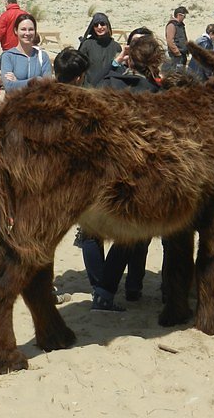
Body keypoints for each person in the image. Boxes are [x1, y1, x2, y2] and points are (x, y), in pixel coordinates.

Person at [76, 32, 163, 312]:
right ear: (155, 61)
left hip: (99, 167)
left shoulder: (107, 83)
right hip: (134, 171)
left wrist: (116, 61)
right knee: (131, 234)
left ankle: (102, 287)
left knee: (93, 231)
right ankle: (110, 288)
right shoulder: (155, 92)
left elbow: (91, 85)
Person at [0, 14, 52, 92]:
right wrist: (36, 80)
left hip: (38, 103)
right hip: (16, 103)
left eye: (31, 29)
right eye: (23, 29)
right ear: (16, 31)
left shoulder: (42, 56)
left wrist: (17, 82)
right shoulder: (8, 56)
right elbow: (9, 86)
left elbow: (48, 86)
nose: (27, 33)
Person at [77, 12, 122, 86]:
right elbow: (80, 67)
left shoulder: (116, 46)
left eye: (102, 24)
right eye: (96, 25)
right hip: (90, 88)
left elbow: (119, 69)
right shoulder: (87, 45)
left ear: (108, 26)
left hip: (110, 89)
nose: (99, 27)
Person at [164, 5, 189, 71]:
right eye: (184, 16)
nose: (184, 18)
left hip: (182, 54)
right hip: (176, 56)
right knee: (176, 74)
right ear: (179, 15)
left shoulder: (180, 25)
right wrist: (177, 52)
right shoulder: (172, 25)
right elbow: (170, 41)